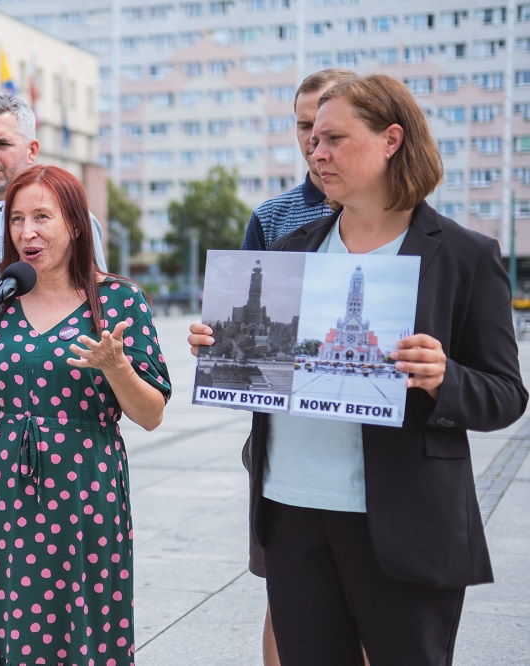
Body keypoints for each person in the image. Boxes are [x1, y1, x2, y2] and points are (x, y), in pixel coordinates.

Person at [189, 74, 527, 664]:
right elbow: (267, 372)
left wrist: (445, 376)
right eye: (312, 139)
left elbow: (505, 395)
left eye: (334, 139)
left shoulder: (463, 255)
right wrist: (224, 351)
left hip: (403, 521)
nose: (316, 153)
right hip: (292, 511)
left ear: (391, 139)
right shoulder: (292, 249)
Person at [0, 164, 170, 664]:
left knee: (78, 619)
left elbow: (151, 414)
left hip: (82, 489)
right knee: (2, 616)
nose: (27, 232)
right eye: (17, 219)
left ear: (74, 224)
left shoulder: (118, 301)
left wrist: (117, 369)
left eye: (42, 217)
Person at [0, 93, 107, 666]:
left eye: (1, 143)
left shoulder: (77, 220)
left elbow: (85, 307)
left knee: (50, 571)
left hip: (52, 420)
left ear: (30, 147)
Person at [239, 67, 356, 666]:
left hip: (364, 448)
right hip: (287, 438)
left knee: (365, 605)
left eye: (326, 129)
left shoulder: (397, 219)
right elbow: (247, 341)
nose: (314, 143)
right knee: (283, 598)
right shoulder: (275, 217)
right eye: (304, 127)